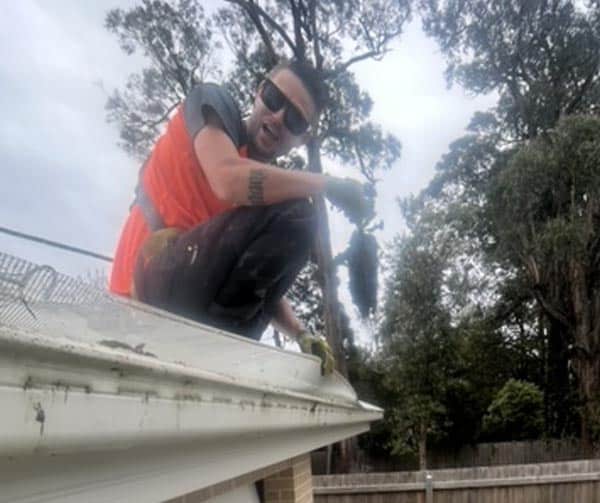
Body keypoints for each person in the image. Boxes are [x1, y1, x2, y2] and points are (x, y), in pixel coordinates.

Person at [109, 59, 367, 374]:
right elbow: (227, 180)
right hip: (146, 287)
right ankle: (216, 352)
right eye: (274, 99)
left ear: (301, 139)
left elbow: (256, 281)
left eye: (296, 120)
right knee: (298, 213)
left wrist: (300, 333)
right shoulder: (212, 107)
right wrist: (325, 184)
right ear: (259, 91)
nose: (279, 118)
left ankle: (215, 354)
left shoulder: (264, 198)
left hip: (190, 298)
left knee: (296, 218)